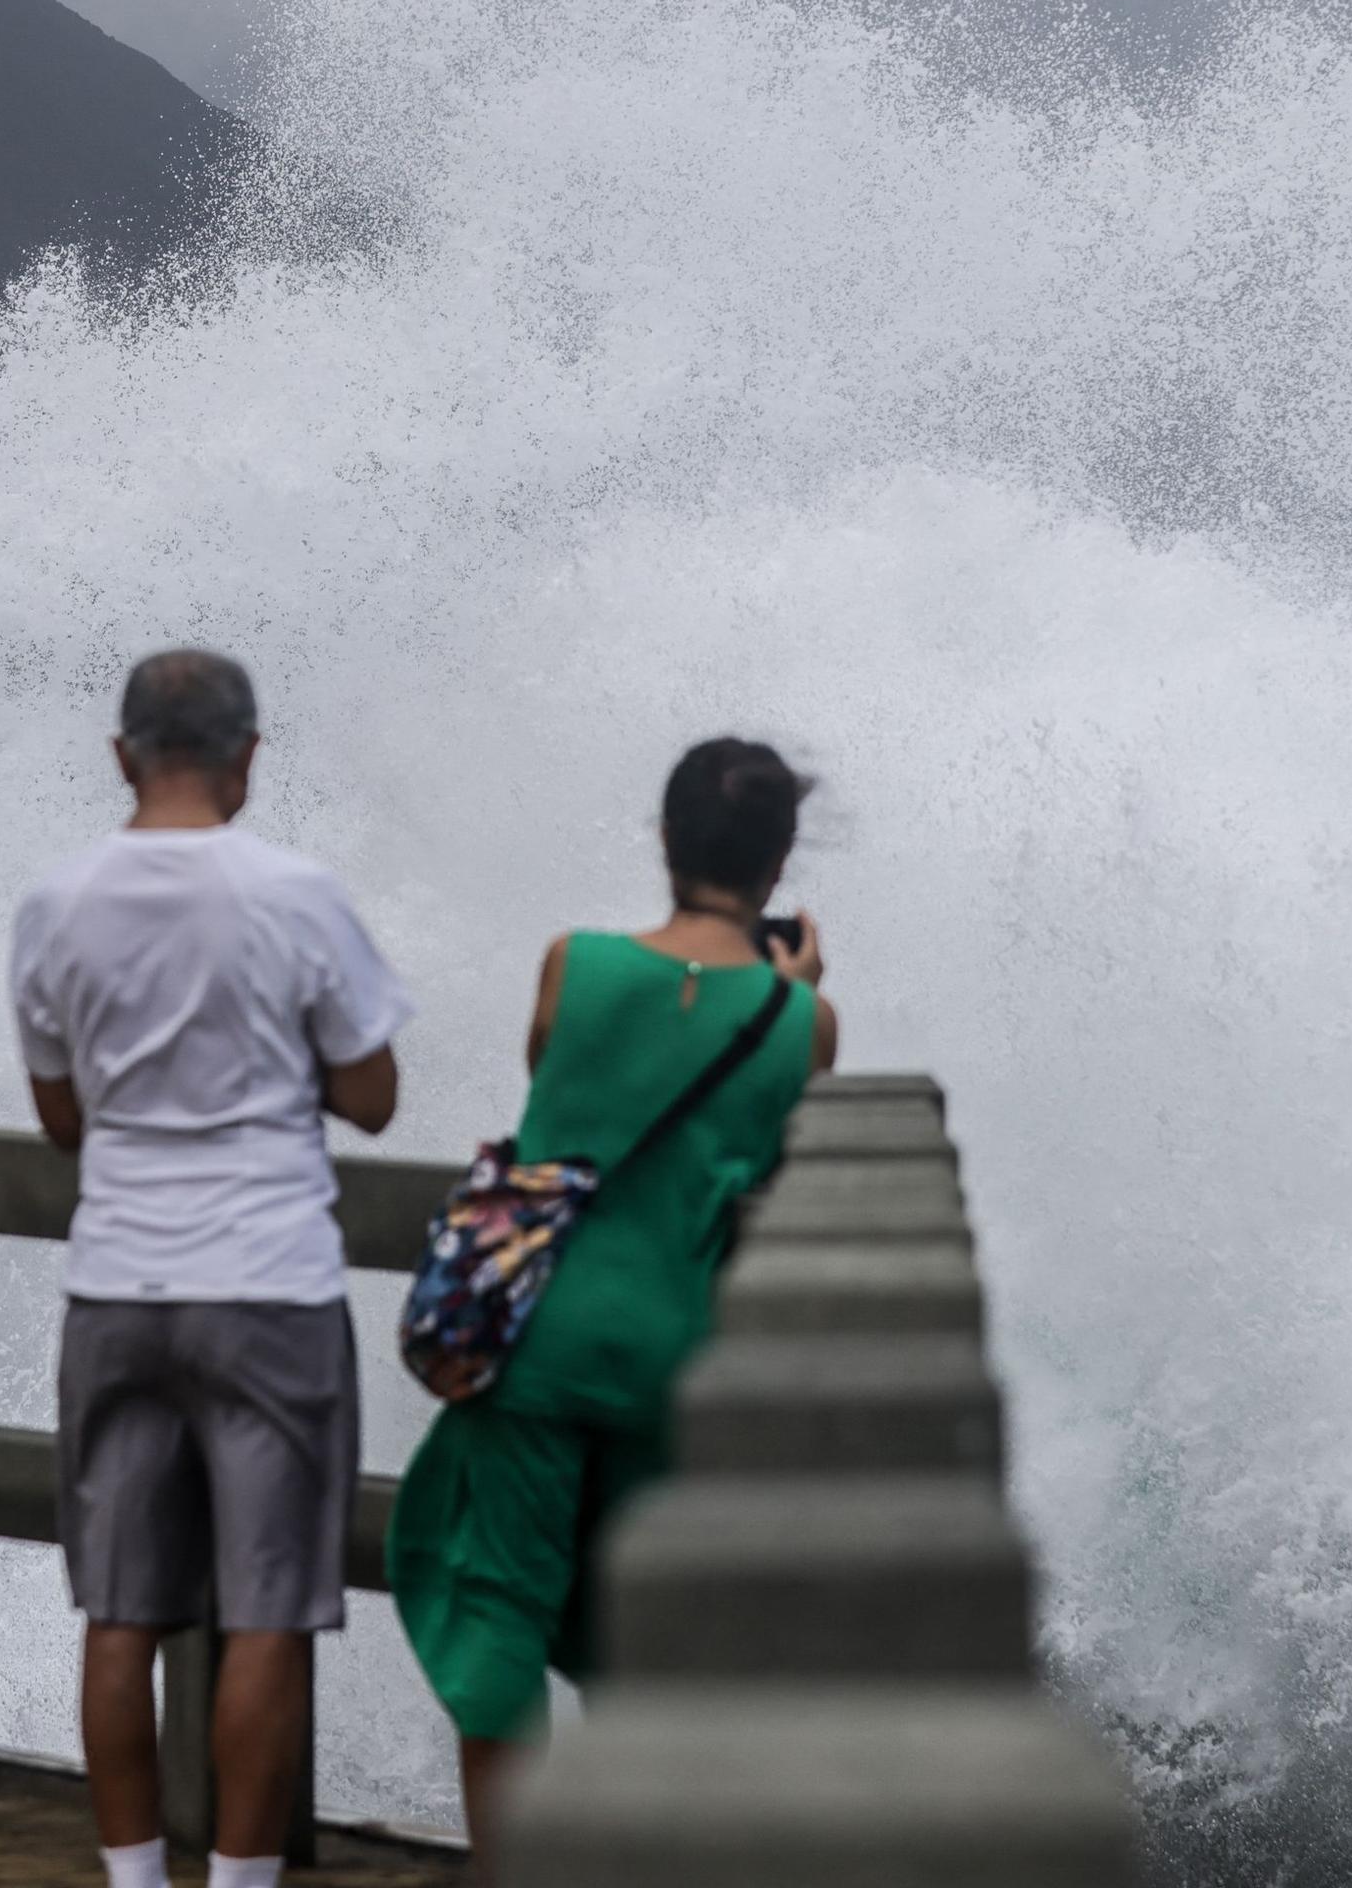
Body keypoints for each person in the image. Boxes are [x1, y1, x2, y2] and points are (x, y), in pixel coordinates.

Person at [388, 736, 838, 1862]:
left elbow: (557, 1079)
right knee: (638, 1642)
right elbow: (776, 1138)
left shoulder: (572, 964)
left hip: (532, 1341)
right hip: (670, 1361)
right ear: (779, 863)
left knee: (497, 1607)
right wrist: (790, 993)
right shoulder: (802, 1028)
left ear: (666, 838)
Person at [10, 649, 409, 1888]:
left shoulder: (56, 901)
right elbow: (373, 1094)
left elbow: (62, 1115)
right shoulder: (297, 894)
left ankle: (133, 1881)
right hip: (269, 1279)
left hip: (119, 1282)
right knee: (268, 1606)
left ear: (123, 753)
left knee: (120, 1611)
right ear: (248, 757)